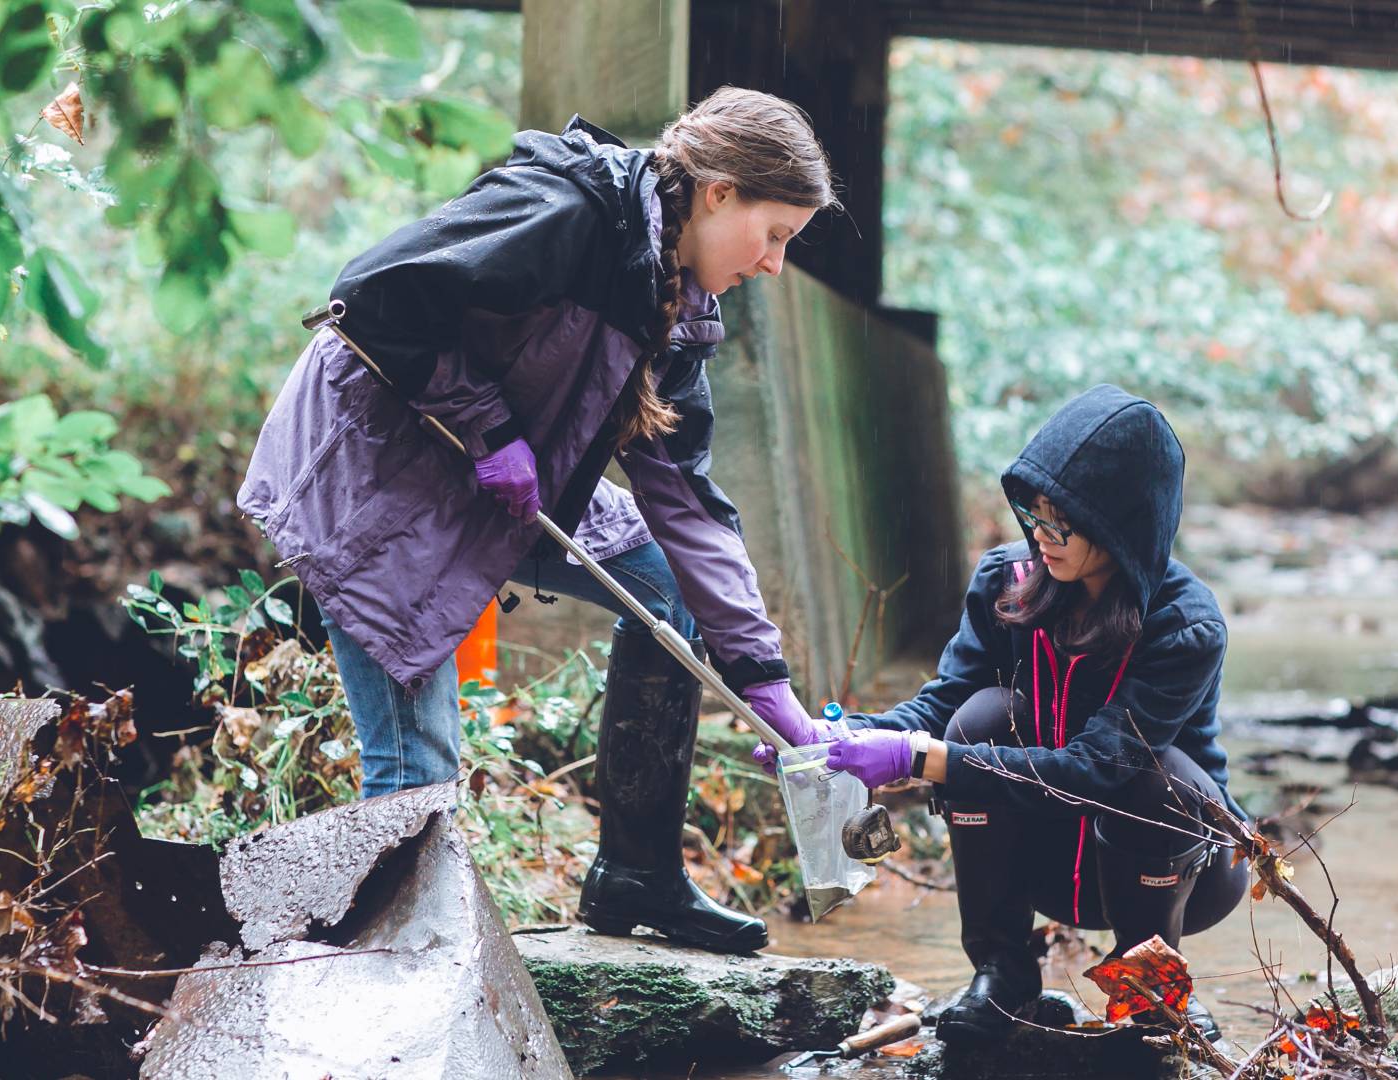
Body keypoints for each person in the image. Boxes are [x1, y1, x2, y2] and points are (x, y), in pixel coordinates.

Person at [238, 88, 843, 955]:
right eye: (776, 233)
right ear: (718, 193)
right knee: (418, 768)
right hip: (379, 473)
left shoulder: (675, 303)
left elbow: (688, 505)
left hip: (511, 468)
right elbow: (373, 294)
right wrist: (488, 428)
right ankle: (407, 966)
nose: (776, 264)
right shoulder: (564, 211)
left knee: (668, 594)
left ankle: (637, 878)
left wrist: (763, 676)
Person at [818, 385, 1248, 1043]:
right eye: (1032, 515)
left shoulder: (1182, 626)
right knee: (980, 715)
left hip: (1175, 867)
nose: (1040, 537)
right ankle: (1003, 975)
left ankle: (1150, 987)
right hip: (1044, 853)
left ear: (1120, 527)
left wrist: (921, 760)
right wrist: (848, 736)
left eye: (1061, 524)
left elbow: (1097, 768)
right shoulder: (1006, 583)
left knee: (1155, 777)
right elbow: (943, 701)